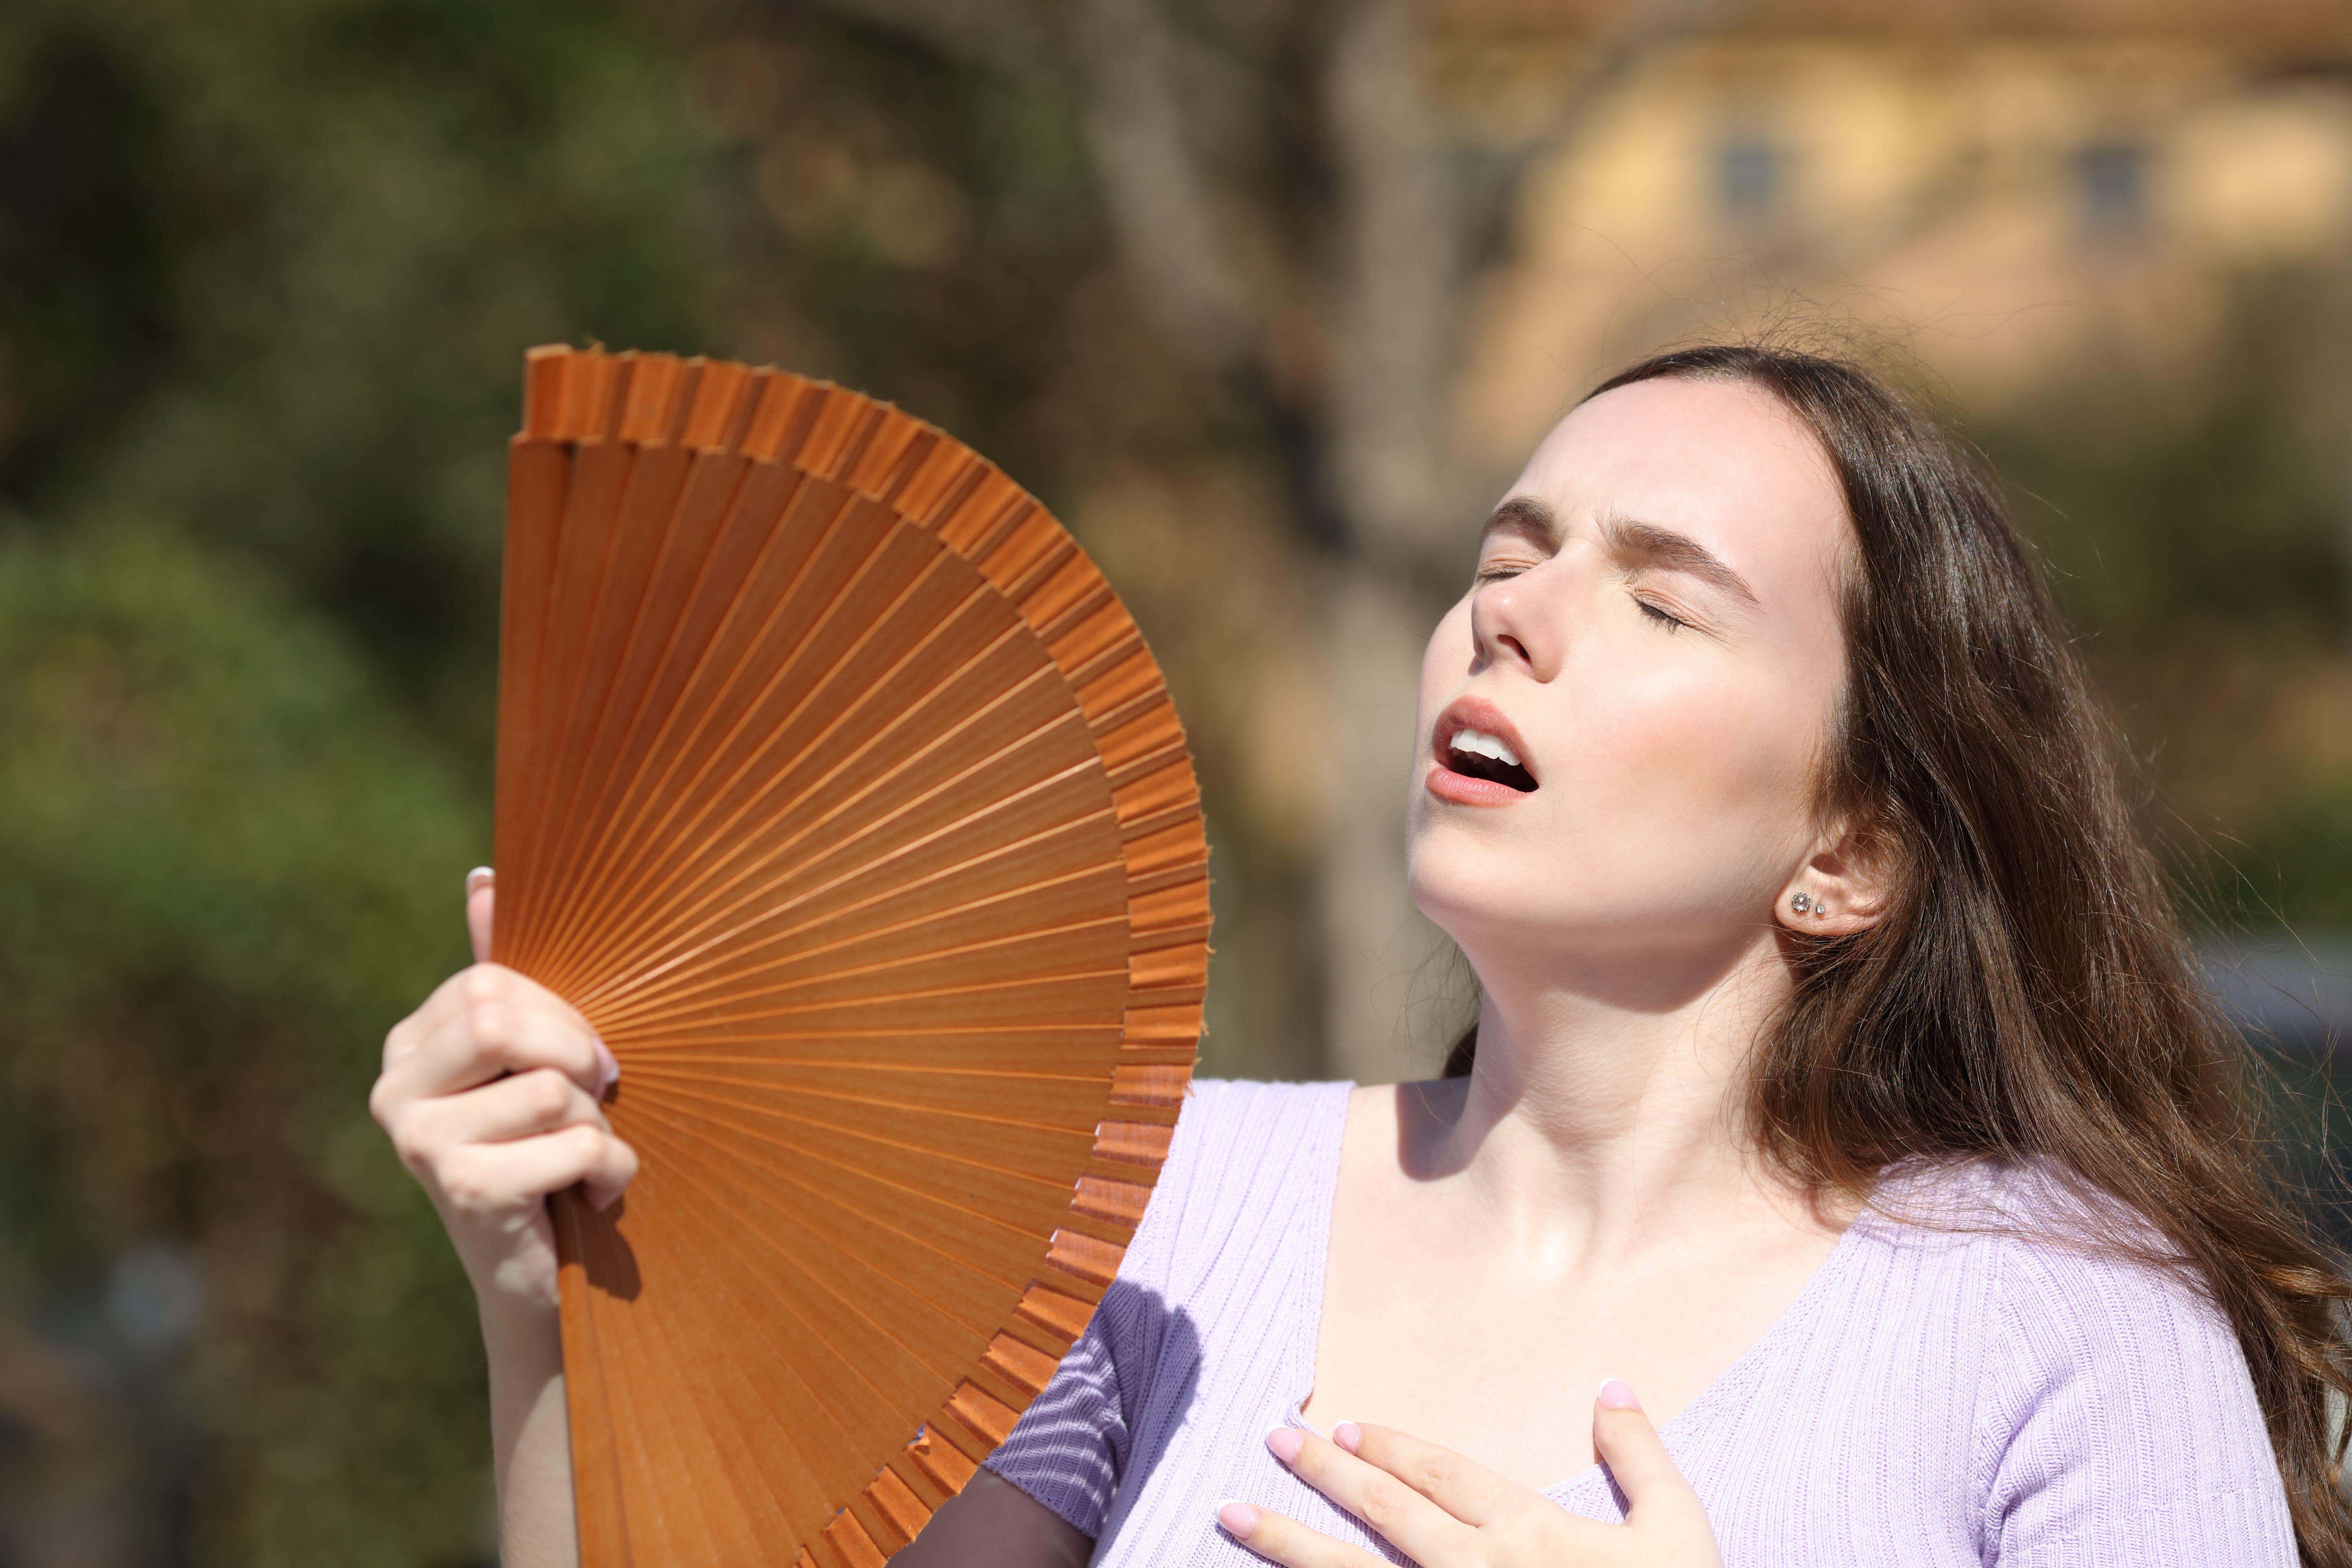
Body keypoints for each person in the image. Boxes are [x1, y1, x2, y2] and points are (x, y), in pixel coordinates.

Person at [371, 344, 2350, 1567]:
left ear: (1849, 851)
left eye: (1662, 602)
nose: (1517, 617)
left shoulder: (2063, 1325)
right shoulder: (1150, 1214)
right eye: (1508, 557)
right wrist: (548, 1304)